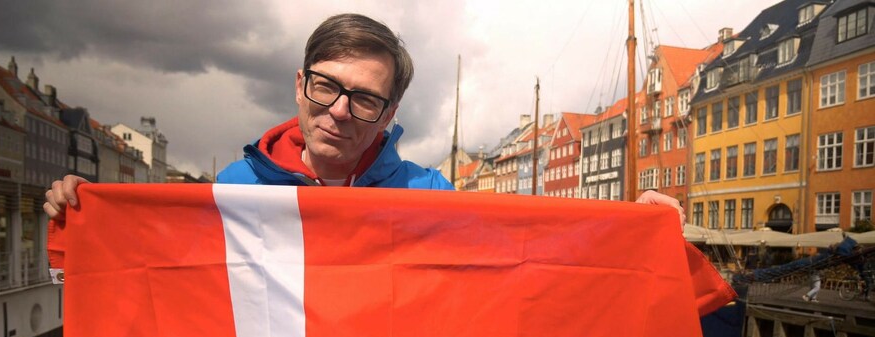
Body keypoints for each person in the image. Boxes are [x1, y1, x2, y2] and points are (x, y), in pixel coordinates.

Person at [44, 13, 683, 222]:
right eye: (326, 86)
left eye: (365, 99)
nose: (340, 111)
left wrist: (632, 227)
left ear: (389, 113)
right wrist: (87, 216)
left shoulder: (429, 196)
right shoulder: (234, 191)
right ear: (301, 84)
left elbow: (522, 257)